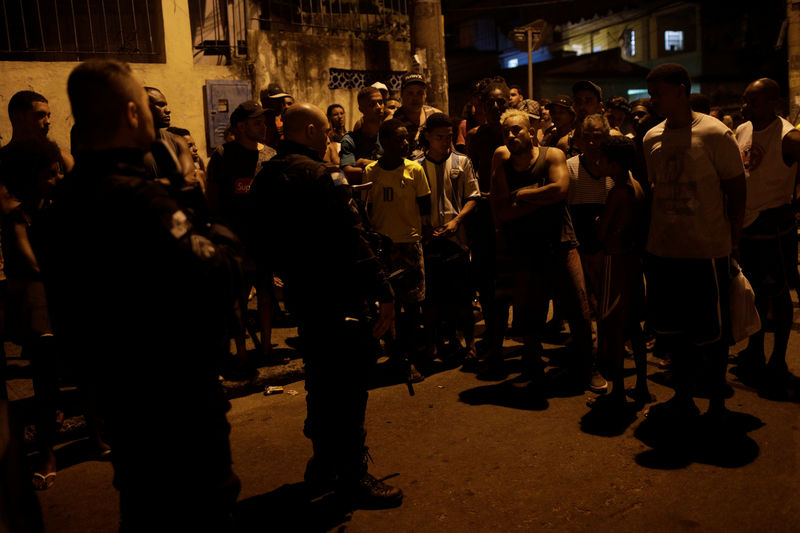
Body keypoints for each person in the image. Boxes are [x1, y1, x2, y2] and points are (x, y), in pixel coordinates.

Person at [40, 58, 241, 530]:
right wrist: (194, 199)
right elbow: (219, 277)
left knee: (143, 506)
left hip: (120, 400)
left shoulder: (62, 203)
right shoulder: (141, 201)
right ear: (133, 114)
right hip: (176, 403)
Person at [249, 103, 403, 508]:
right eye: (326, 132)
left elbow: (260, 237)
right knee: (349, 386)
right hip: (340, 293)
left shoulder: (267, 176)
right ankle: (352, 473)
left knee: (320, 377)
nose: (331, 139)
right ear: (314, 132)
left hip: (303, 294)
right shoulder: (324, 175)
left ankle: (321, 463)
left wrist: (279, 277)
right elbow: (354, 239)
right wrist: (384, 291)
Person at [643, 63, 746, 420]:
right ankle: (683, 396)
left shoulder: (715, 134)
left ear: (682, 91)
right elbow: (654, 188)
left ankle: (717, 402)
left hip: (706, 251)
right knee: (674, 332)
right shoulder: (651, 137)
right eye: (651, 93)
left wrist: (735, 239)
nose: (653, 100)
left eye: (659, 93)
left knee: (713, 334)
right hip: (665, 251)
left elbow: (736, 187)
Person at [490, 108, 593, 399]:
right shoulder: (503, 163)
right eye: (506, 132)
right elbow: (502, 211)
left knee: (579, 309)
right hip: (526, 247)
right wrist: (540, 194)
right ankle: (533, 370)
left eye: (516, 130)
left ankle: (589, 368)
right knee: (530, 314)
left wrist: (522, 195)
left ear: (531, 132)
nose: (511, 136)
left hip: (561, 243)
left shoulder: (552, 156)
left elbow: (560, 189)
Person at [0, 139, 63, 490]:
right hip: (38, 296)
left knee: (82, 373)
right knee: (45, 381)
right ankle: (47, 453)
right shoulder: (18, 213)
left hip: (58, 291)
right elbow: (29, 260)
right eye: (50, 175)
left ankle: (98, 437)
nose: (57, 179)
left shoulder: (55, 205)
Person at [733, 78, 800, 396]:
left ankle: (778, 360)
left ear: (772, 102)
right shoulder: (743, 129)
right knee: (754, 293)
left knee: (778, 294)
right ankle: (755, 351)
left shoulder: (789, 136)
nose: (745, 106)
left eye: (753, 101)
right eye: (745, 100)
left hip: (773, 227)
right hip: (748, 225)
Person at [206, 101, 282, 368]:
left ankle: (266, 348)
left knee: (265, 296)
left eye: (264, 122)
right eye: (257, 122)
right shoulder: (223, 155)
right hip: (234, 241)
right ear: (241, 126)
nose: (263, 126)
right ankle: (240, 351)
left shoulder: (271, 155)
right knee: (238, 298)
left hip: (263, 240)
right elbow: (212, 200)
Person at [365, 118, 432, 381]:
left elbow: (425, 207)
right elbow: (366, 208)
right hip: (382, 248)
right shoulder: (371, 171)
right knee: (386, 307)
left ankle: (411, 359)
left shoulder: (415, 170)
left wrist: (423, 237)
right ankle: (394, 356)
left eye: (407, 138)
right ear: (384, 141)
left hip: (409, 244)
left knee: (412, 306)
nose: (406, 143)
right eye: (399, 139)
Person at [414, 113, 480, 364]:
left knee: (463, 296)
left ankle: (471, 345)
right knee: (430, 299)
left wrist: (456, 221)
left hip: (456, 240)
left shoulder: (462, 162)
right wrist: (423, 227)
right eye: (440, 137)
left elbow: (473, 197)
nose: (445, 141)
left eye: (449, 136)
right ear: (428, 137)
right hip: (428, 239)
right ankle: (431, 346)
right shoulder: (415, 164)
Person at [592, 136, 650, 409]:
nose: (597, 162)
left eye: (602, 159)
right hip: (633, 262)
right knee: (633, 327)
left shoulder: (617, 193)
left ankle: (616, 391)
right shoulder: (636, 185)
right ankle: (641, 384)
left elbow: (602, 233)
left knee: (613, 328)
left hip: (615, 263)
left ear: (613, 165)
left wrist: (599, 221)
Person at [339, 87, 384, 184]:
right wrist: (383, 166)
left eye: (381, 102)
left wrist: (364, 163)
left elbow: (398, 165)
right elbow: (348, 172)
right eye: (372, 104)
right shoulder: (350, 140)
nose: (379, 107)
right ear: (361, 109)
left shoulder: (387, 135)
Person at [393, 73, 442, 158]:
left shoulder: (436, 116)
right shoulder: (394, 121)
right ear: (401, 94)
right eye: (410, 93)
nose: (415, 98)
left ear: (425, 94)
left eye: (420, 93)